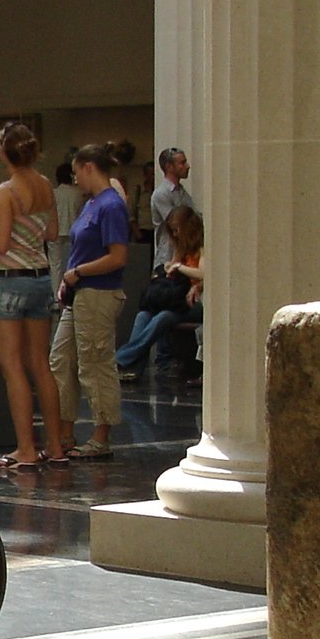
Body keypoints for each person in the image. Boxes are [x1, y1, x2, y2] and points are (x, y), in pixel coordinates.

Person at [0, 120, 67, 470]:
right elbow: (53, 232)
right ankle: (56, 446)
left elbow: (0, 244)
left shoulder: (5, 191)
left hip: (8, 281)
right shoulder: (45, 185)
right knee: (41, 366)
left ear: (2, 152)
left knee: (13, 368)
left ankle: (26, 448)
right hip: (41, 278)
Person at [49, 143, 129, 459]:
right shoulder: (92, 203)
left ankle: (100, 434)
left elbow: (118, 257)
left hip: (97, 292)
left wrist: (78, 272)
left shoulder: (110, 205)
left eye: (77, 172)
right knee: (61, 358)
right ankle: (65, 431)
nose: (76, 179)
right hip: (80, 293)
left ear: (87, 167)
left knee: (95, 363)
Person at [115, 205, 205, 379]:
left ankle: (121, 358)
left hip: (196, 303)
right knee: (144, 316)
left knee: (164, 318)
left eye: (177, 230)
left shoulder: (200, 249)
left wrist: (181, 269)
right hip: (179, 301)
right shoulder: (181, 249)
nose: (176, 235)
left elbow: (203, 274)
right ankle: (134, 368)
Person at [150, 148, 192, 267]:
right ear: (169, 166)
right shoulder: (161, 194)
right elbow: (178, 223)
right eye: (182, 163)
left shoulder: (181, 191)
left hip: (183, 258)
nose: (187, 166)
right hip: (167, 258)